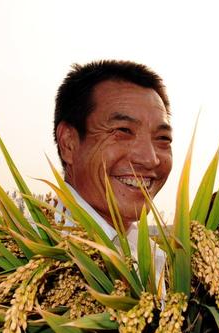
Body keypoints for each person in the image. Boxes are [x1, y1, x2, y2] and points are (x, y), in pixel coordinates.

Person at [53, 60, 173, 292]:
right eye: (123, 131)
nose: (150, 159)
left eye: (162, 139)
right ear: (68, 143)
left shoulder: (159, 259)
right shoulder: (29, 257)